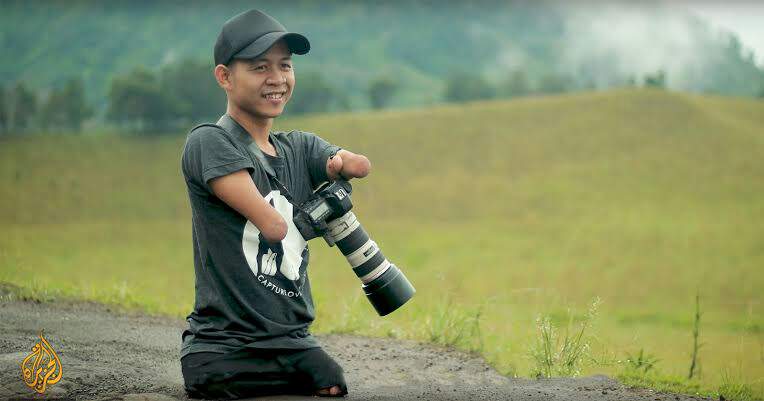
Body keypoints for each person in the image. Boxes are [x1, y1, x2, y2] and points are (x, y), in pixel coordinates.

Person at [179, 9, 370, 399]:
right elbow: (273, 225)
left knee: (332, 379)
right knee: (227, 379)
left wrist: (341, 165)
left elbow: (360, 165)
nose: (277, 78)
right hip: (223, 346)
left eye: (285, 65)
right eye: (260, 67)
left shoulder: (298, 146)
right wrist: (320, 214)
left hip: (291, 341)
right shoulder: (208, 142)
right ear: (225, 77)